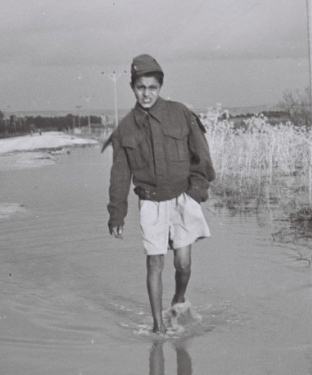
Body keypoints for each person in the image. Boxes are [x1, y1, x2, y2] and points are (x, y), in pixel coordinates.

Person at [105, 54, 215, 334]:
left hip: (182, 198)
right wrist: (117, 213)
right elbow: (119, 176)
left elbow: (200, 154)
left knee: (183, 264)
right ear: (132, 87)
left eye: (152, 87)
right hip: (150, 204)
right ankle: (159, 328)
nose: (146, 93)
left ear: (160, 87)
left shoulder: (180, 113)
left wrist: (196, 190)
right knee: (155, 262)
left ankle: (178, 300)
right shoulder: (125, 128)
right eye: (141, 87)